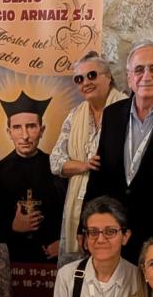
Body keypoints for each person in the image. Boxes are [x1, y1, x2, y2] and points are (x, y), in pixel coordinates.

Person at [86, 42, 153, 262]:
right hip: (113, 233)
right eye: (139, 69)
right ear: (129, 77)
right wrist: (85, 224)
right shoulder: (112, 114)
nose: (146, 76)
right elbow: (99, 172)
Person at [50, 51, 125, 264]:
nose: (85, 82)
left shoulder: (128, 109)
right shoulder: (75, 115)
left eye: (92, 75)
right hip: (77, 203)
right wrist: (84, 165)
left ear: (108, 77)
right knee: (78, 272)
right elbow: (55, 162)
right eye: (79, 79)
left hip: (113, 202)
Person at [0, 92, 64, 263]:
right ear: (9, 132)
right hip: (13, 258)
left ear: (42, 130)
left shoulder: (56, 167)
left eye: (31, 126)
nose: (25, 135)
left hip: (52, 258)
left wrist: (64, 243)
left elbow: (70, 213)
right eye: (17, 128)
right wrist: (12, 227)